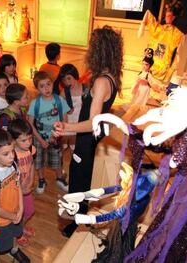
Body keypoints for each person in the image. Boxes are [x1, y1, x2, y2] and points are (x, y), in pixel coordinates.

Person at [53, 25, 123, 237]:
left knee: (79, 183)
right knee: (83, 180)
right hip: (93, 140)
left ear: (98, 50)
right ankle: (81, 221)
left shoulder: (102, 81)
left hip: (86, 141)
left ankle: (78, 224)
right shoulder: (110, 76)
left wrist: (66, 128)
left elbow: (92, 122)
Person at [0, 129, 29, 263]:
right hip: (0, 221)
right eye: (6, 154)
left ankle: (14, 250)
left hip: (15, 213)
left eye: (12, 151)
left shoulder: (12, 164)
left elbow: (18, 185)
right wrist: (14, 216)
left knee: (15, 233)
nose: (11, 156)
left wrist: (20, 208)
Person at [28, 71, 70, 194]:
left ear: (53, 84)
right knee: (39, 160)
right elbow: (30, 123)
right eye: (42, 86)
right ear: (37, 88)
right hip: (38, 136)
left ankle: (59, 178)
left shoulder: (59, 100)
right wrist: (41, 140)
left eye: (48, 84)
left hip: (56, 136)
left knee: (57, 159)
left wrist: (55, 136)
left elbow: (64, 120)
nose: (46, 88)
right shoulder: (35, 103)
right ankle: (41, 180)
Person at [138, 1, 184, 83]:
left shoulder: (176, 33)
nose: (167, 17)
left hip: (162, 67)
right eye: (167, 15)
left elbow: (178, 52)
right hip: (150, 64)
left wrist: (174, 67)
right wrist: (142, 24)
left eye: (169, 16)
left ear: (174, 17)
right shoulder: (159, 28)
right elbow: (148, 15)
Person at [7, 119, 36, 247]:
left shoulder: (31, 149)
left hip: (26, 188)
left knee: (29, 210)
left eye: (30, 138)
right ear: (13, 141)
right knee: (16, 214)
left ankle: (21, 228)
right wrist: (21, 188)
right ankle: (17, 233)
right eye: (24, 140)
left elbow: (32, 165)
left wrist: (30, 181)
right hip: (15, 192)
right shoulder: (11, 156)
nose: (28, 143)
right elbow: (11, 177)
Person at [57, 64, 85, 152]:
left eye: (69, 78)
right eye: (64, 80)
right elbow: (59, 104)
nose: (67, 82)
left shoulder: (84, 89)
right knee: (65, 138)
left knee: (76, 140)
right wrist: (66, 109)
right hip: (68, 119)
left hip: (80, 118)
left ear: (75, 76)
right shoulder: (65, 91)